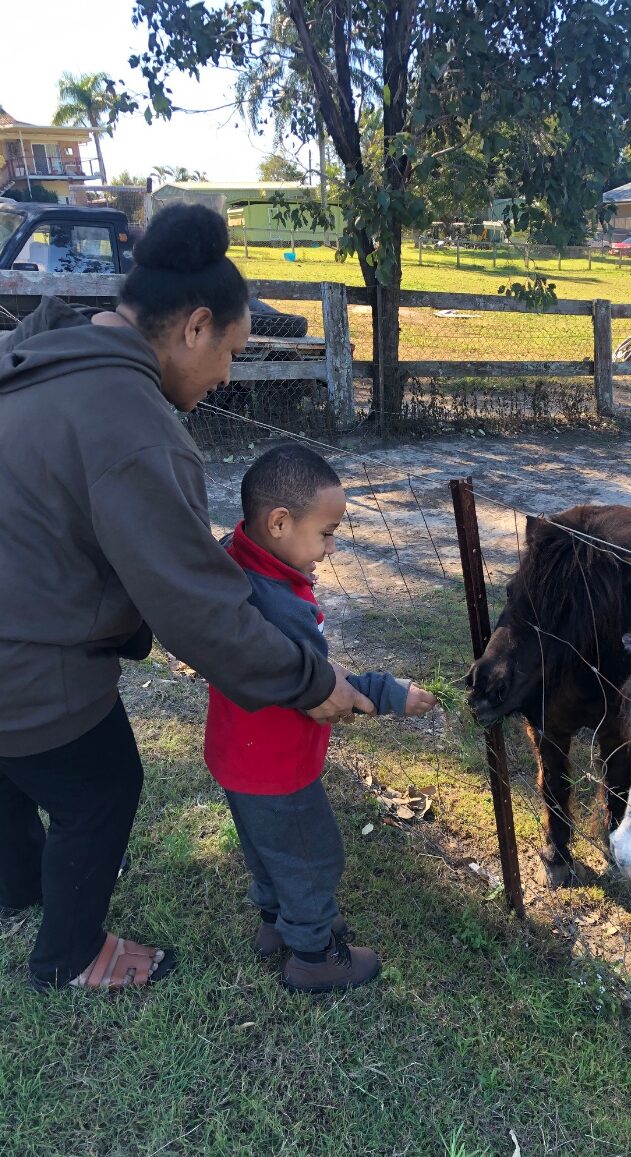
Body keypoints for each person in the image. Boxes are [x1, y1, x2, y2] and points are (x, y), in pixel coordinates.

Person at [0, 205, 374, 993]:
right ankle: (70, 955)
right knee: (99, 789)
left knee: (12, 769)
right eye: (232, 352)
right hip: (28, 656)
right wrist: (310, 682)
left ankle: (16, 887)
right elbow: (196, 611)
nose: (227, 376)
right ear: (195, 327)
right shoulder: (134, 424)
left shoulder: (40, 350)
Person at [204, 444, 436, 992]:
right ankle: (312, 956)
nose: (330, 548)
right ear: (279, 523)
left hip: (235, 756)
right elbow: (320, 686)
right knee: (312, 857)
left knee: (265, 848)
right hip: (280, 768)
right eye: (327, 533)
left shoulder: (229, 563)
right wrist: (389, 693)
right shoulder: (285, 610)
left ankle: (273, 926)